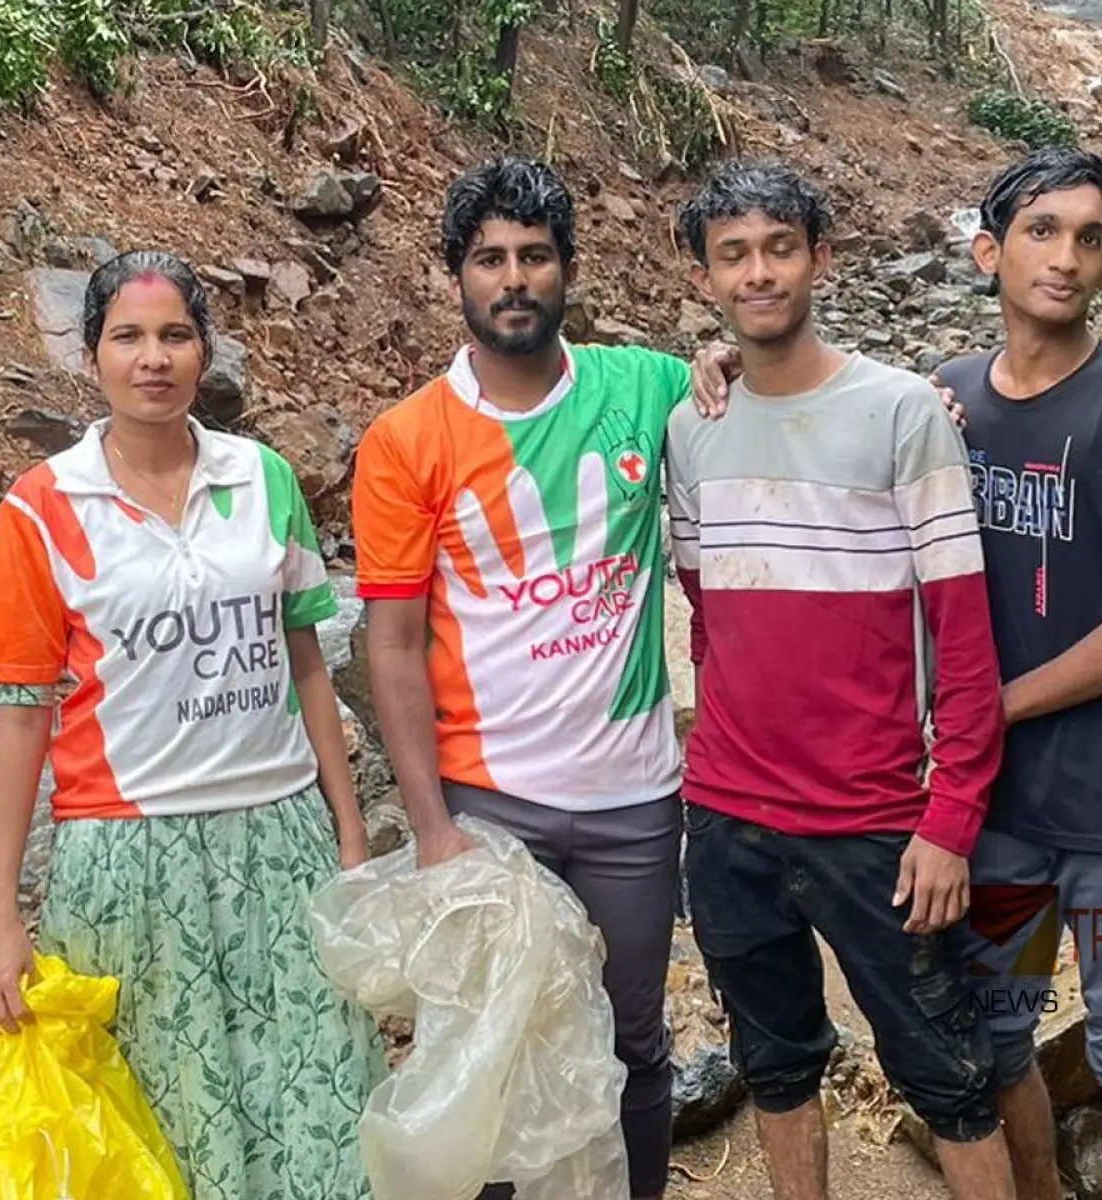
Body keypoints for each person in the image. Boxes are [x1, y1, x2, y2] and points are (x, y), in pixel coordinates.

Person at [0, 250, 380, 1199]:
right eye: (128, 337)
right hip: (125, 859)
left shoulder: (265, 477)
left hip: (280, 837)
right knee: (160, 1118)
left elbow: (306, 664)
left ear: (204, 353)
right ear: (91, 358)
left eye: (174, 335)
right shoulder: (41, 508)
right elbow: (21, 717)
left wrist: (350, 839)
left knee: (316, 1101)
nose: (152, 358)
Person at [350, 157, 721, 1200]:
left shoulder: (642, 387)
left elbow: (753, 385)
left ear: (567, 268)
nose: (513, 277)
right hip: (487, 804)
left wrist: (923, 406)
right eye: (489, 259)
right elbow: (389, 643)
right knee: (499, 1050)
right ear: (456, 278)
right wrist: (430, 828)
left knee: (634, 1042)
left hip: (632, 798)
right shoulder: (406, 441)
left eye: (534, 256)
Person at [666, 159, 1012, 1200]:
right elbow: (709, 613)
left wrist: (950, 817)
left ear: (820, 257)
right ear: (703, 280)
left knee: (949, 1077)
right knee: (772, 1069)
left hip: (873, 822)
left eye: (779, 248)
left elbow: (962, 636)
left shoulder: (903, 413)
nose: (757, 273)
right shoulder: (693, 427)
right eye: (733, 256)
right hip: (727, 816)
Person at [935, 146, 1102, 1200]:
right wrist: (718, 372)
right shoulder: (943, 399)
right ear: (986, 251)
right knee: (995, 1035)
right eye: (1042, 231)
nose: (1067, 258)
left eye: (1091, 238)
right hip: (992, 809)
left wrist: (995, 707)